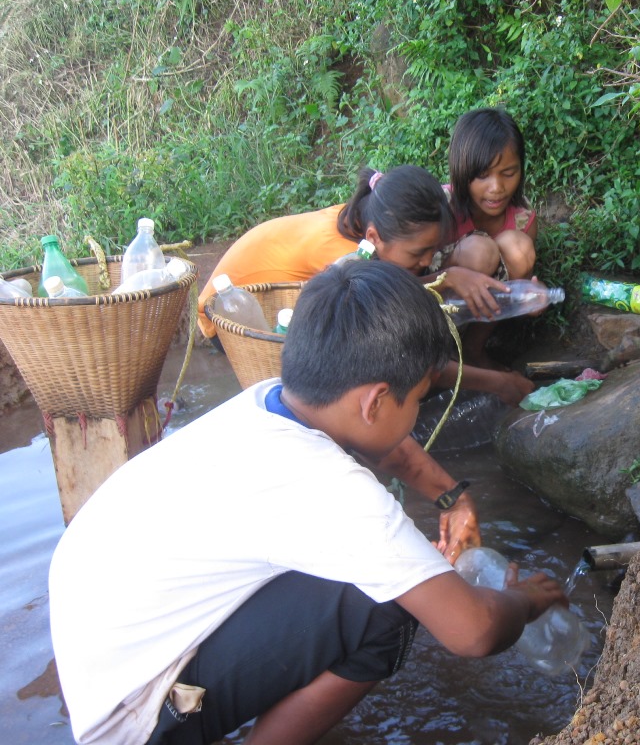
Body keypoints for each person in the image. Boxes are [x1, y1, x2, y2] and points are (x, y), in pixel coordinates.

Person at [49, 260, 568, 745]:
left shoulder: (269, 400)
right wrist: (522, 602)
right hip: (131, 718)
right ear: (375, 401)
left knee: (375, 573)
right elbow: (473, 631)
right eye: (418, 400)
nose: (416, 414)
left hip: (98, 659)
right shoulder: (331, 489)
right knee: (384, 606)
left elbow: (386, 445)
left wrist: (451, 497)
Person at [196, 165, 534, 405]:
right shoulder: (344, 259)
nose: (428, 261)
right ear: (373, 237)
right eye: (420, 253)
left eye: (433, 251)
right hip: (234, 322)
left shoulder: (373, 222)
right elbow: (407, 348)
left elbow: (404, 284)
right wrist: (498, 383)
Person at [438, 108, 546, 368]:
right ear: (462, 170)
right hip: (434, 308)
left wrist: (530, 300)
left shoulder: (522, 219)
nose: (497, 188)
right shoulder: (440, 206)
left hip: (479, 316)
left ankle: (472, 351)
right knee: (480, 251)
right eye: (483, 175)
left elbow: (511, 298)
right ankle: (439, 351)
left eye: (508, 173)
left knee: (518, 247)